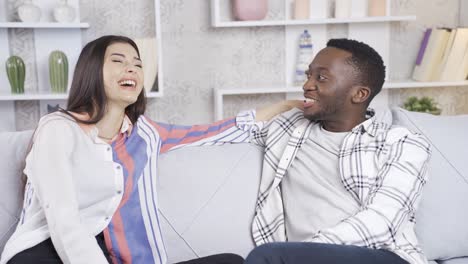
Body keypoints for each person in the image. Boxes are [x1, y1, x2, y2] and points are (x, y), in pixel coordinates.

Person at [0, 35, 301, 264]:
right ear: (91, 70)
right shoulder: (57, 129)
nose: (131, 67)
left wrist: (285, 106)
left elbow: (211, 131)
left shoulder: (145, 134)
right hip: (44, 252)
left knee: (232, 262)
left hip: (107, 256)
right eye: (118, 60)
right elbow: (63, 218)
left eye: (137, 63)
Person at [242, 38, 432, 264]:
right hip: (300, 257)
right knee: (224, 260)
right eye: (308, 75)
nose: (307, 85)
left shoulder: (402, 144)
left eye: (321, 78)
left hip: (384, 257)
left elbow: (383, 222)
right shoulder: (287, 127)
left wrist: (306, 250)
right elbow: (213, 136)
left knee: (269, 255)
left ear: (359, 94)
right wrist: (281, 107)